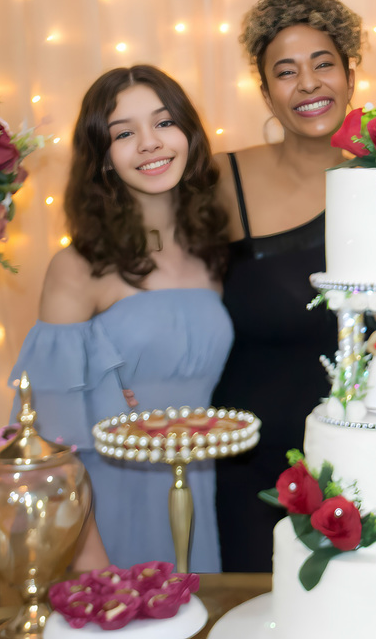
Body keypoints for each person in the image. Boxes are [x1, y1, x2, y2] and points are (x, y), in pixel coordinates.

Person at [13, 65, 231, 571]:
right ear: (104, 159)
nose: (149, 144)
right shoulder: (78, 267)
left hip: (197, 487)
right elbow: (51, 439)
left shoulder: (212, 253)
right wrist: (92, 560)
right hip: (108, 498)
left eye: (163, 123)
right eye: (125, 134)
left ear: (190, 136)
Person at [211, 0, 362, 571]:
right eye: (285, 71)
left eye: (323, 64)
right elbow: (151, 275)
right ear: (266, 90)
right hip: (247, 466)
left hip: (361, 465)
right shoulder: (222, 178)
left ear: (349, 75)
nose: (308, 84)